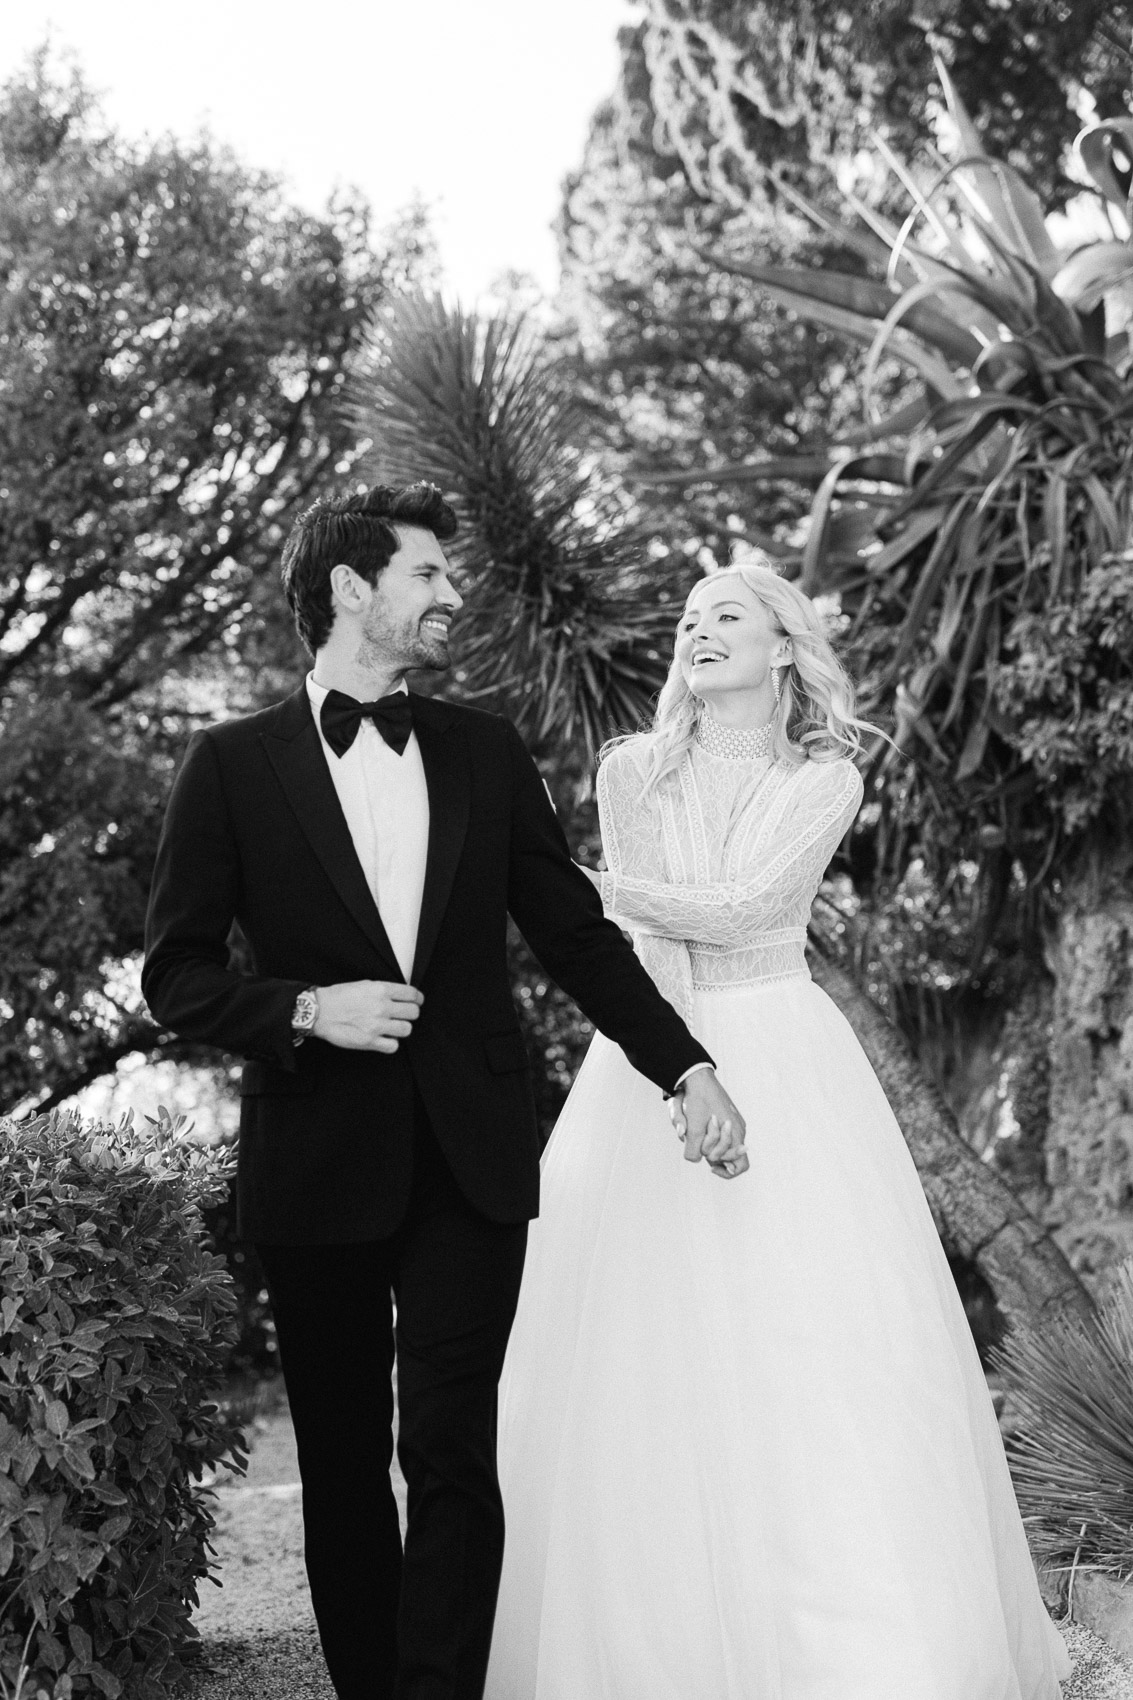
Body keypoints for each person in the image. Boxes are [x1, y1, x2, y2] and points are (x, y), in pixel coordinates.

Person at [141, 483, 749, 1700]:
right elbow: (177, 973)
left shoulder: (480, 748)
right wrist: (307, 1008)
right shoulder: (229, 764)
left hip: (468, 1158)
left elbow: (572, 934)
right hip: (314, 1160)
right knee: (345, 1458)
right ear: (351, 588)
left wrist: (682, 1060)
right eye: (426, 572)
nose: (451, 594)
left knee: (454, 1450)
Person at [485, 560, 1071, 1700]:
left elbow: (752, 910)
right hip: (651, 1048)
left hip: (789, 1053)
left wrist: (583, 886)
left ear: (783, 648)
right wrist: (665, 1048)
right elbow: (655, 947)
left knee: (815, 1335)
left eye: (727, 616)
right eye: (690, 619)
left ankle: (854, 1638)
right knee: (637, 1344)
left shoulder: (825, 778)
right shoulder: (629, 769)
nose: (699, 631)